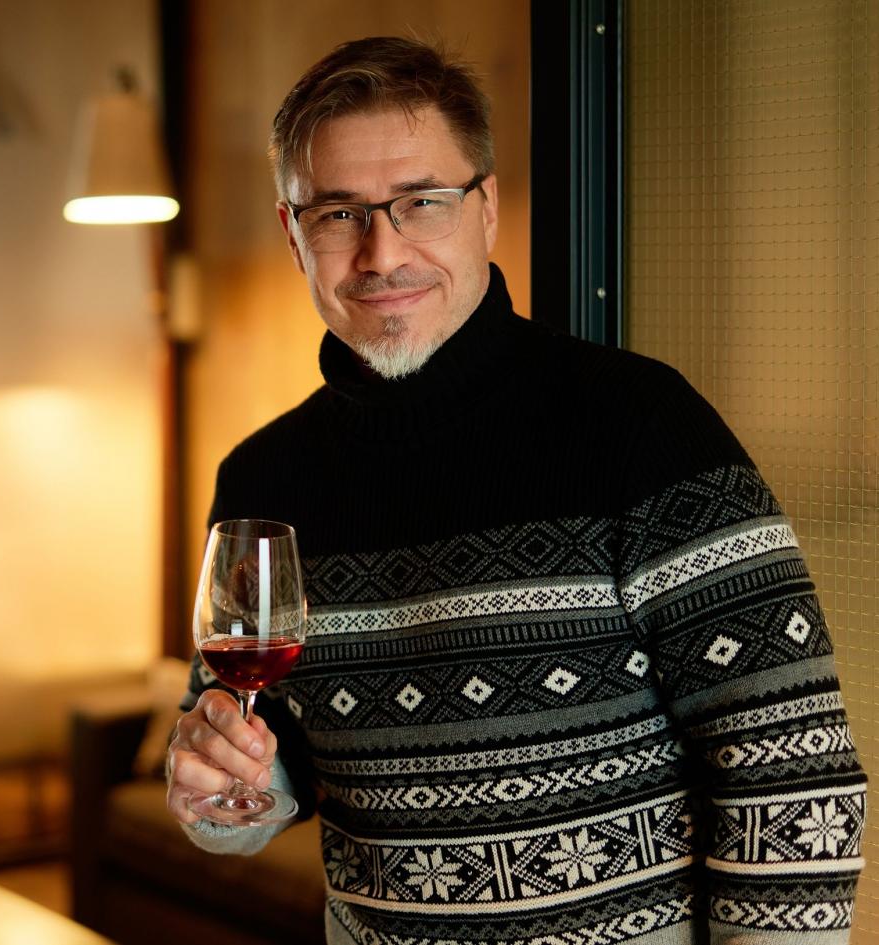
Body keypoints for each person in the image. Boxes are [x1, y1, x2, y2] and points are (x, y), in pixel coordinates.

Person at [165, 35, 866, 945]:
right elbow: (258, 762)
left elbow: (793, 778)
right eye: (338, 214)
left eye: (421, 202)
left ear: (486, 209)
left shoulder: (641, 424)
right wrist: (224, 794)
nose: (382, 252)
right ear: (292, 234)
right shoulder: (263, 476)